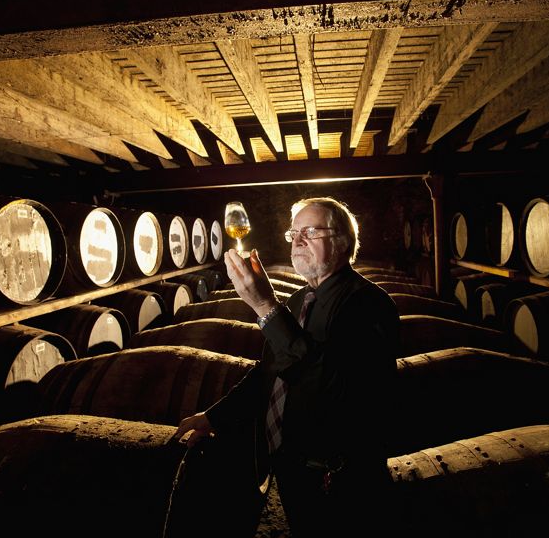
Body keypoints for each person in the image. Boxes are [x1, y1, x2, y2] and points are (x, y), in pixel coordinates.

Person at [171, 197, 400, 536]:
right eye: (294, 233)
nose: (298, 240)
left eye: (310, 231)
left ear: (342, 241)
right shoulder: (298, 301)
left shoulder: (367, 303)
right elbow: (270, 371)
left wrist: (264, 305)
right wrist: (214, 416)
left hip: (337, 476)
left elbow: (331, 386)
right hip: (291, 464)